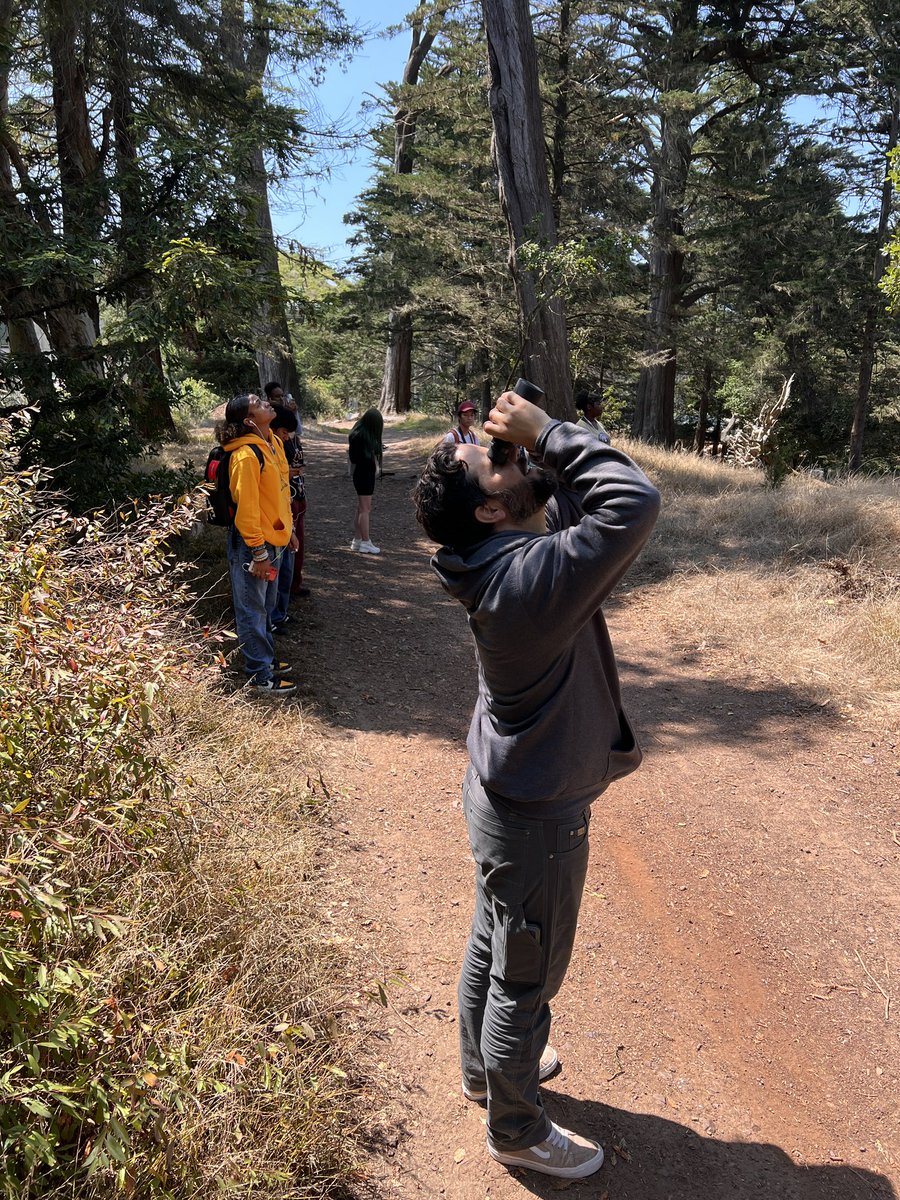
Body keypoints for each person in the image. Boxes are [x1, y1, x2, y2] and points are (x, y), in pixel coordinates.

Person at [412, 391, 659, 1180]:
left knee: (495, 941)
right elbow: (633, 502)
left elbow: (585, 502)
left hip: (502, 792)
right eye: (503, 461)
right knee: (528, 976)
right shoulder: (527, 581)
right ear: (490, 512)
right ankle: (514, 1128)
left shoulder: (499, 556)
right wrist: (550, 434)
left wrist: (541, 450)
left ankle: (484, 1075)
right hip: (537, 815)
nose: (517, 454)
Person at [218, 393, 298, 696]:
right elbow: (247, 511)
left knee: (265, 606)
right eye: (257, 403)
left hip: (273, 541)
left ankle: (266, 660)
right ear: (250, 421)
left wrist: (288, 530)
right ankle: (259, 675)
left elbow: (278, 493)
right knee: (252, 610)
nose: (266, 403)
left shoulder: (273, 444)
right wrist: (259, 552)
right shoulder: (246, 456)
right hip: (254, 546)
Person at [348, 408, 384, 555]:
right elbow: (356, 458)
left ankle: (357, 541)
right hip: (364, 475)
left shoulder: (358, 434)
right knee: (365, 509)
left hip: (362, 474)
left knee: (361, 508)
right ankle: (365, 542)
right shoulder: (361, 437)